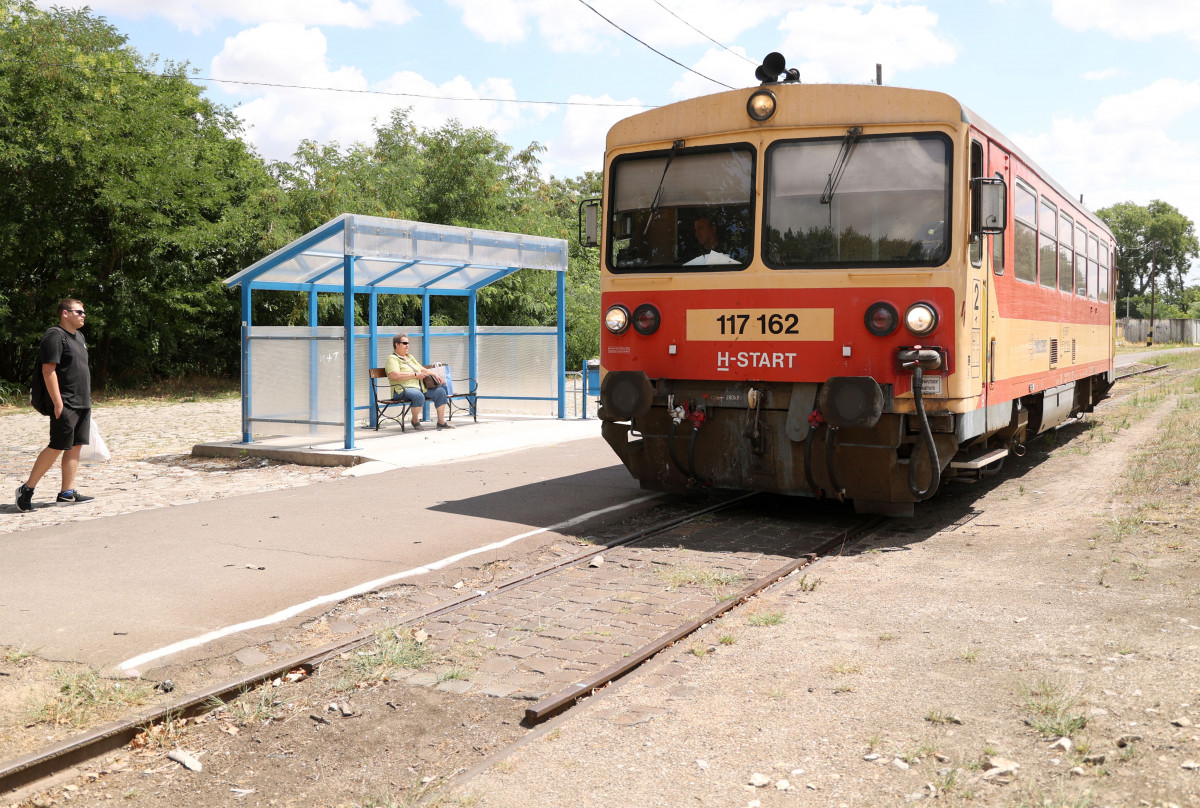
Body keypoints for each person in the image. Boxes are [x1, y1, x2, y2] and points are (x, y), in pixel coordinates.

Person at [16, 298, 95, 512]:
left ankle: (66, 493)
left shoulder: (79, 337)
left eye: (83, 312)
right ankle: (26, 489)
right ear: (65, 313)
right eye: (79, 312)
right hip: (65, 401)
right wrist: (58, 403)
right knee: (58, 445)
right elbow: (48, 370)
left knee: (76, 445)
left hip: (82, 402)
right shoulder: (54, 335)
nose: (83, 315)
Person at [384, 334, 455, 430]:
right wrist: (414, 375)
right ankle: (415, 420)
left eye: (408, 343)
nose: (407, 345)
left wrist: (435, 374)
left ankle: (441, 422)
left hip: (420, 388)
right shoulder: (392, 359)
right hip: (401, 390)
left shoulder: (410, 357)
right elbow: (394, 375)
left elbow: (422, 369)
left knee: (440, 392)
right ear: (396, 344)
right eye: (404, 343)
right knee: (418, 395)